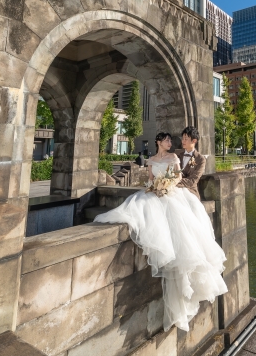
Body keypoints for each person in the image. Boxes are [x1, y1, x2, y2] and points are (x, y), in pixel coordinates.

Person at [94, 131, 227, 332]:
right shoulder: (158, 158)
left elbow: (185, 179)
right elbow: (150, 178)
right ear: (158, 142)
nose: (175, 142)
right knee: (141, 205)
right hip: (158, 190)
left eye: (182, 139)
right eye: (169, 140)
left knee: (180, 221)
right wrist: (154, 185)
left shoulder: (191, 158)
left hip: (179, 192)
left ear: (193, 141)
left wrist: (166, 184)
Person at [175, 126, 206, 200]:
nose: (183, 141)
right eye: (182, 138)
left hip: (190, 192)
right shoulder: (176, 155)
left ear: (194, 141)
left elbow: (193, 180)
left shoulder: (200, 159)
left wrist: (174, 182)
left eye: (186, 139)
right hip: (175, 191)